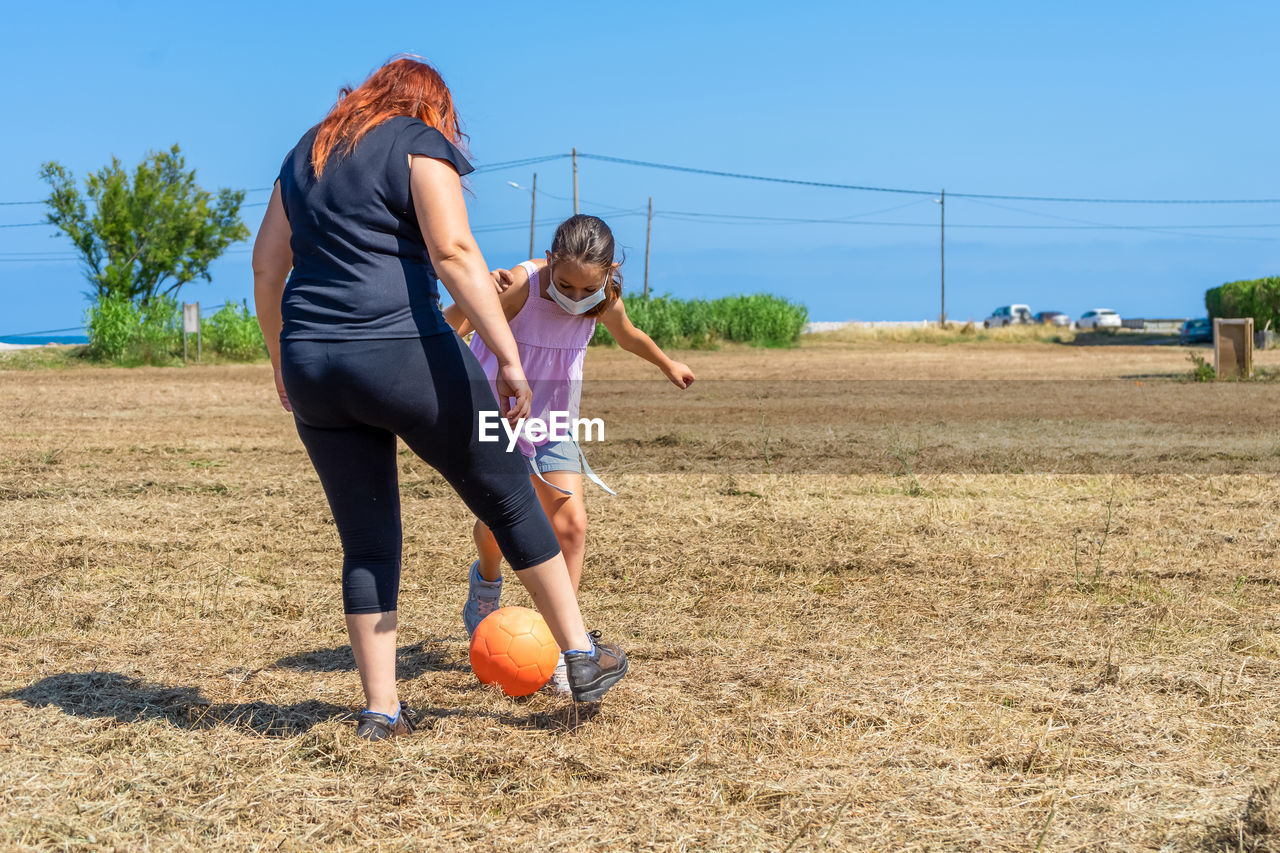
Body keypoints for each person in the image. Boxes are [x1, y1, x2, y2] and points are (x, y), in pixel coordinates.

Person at [251, 57, 628, 741]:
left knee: (367, 541)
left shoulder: (307, 148)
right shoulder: (420, 142)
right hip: (399, 351)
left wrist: (282, 357)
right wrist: (508, 357)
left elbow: (267, 264)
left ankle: (381, 710)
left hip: (313, 360)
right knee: (510, 493)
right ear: (433, 107)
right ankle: (580, 655)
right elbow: (453, 251)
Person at [443, 214, 694, 693]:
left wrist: (667, 363)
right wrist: (475, 297)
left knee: (571, 523)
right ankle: (486, 585)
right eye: (565, 284)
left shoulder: (603, 300)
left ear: (609, 272)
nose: (574, 297)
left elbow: (628, 335)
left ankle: (566, 647)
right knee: (503, 519)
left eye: (587, 289)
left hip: (554, 418)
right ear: (551, 259)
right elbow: (453, 322)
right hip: (493, 412)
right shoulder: (522, 284)